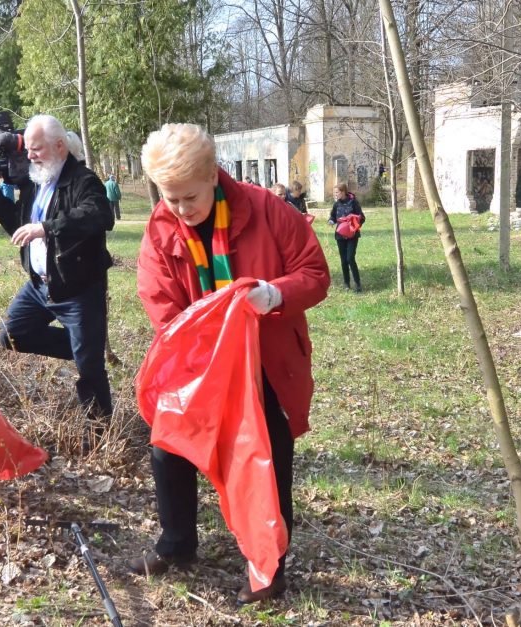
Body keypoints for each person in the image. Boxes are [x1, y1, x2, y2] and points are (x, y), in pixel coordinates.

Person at [128, 123, 330, 604]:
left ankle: (269, 565)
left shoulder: (266, 209)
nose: (180, 210)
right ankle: (177, 544)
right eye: (170, 198)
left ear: (213, 176)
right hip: (197, 362)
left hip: (265, 360)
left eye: (189, 197)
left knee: (267, 454)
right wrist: (195, 335)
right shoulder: (161, 227)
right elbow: (157, 296)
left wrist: (273, 292)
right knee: (168, 447)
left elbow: (316, 274)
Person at [0, 114, 115, 423]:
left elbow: (100, 215)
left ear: (60, 146)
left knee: (89, 370)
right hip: (39, 287)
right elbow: (19, 227)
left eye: (36, 149)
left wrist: (47, 227)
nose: (30, 155)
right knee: (11, 335)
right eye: (28, 150)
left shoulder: (82, 180)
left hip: (78, 288)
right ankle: (85, 347)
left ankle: (100, 431)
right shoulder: (34, 181)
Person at [327, 182, 366, 292]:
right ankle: (346, 284)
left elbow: (362, 217)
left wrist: (354, 223)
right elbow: (333, 216)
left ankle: (358, 284)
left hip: (352, 236)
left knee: (350, 258)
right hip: (340, 236)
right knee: (343, 260)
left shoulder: (353, 202)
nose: (335, 195)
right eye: (334, 193)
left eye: (337, 192)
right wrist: (330, 221)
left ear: (343, 192)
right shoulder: (336, 204)